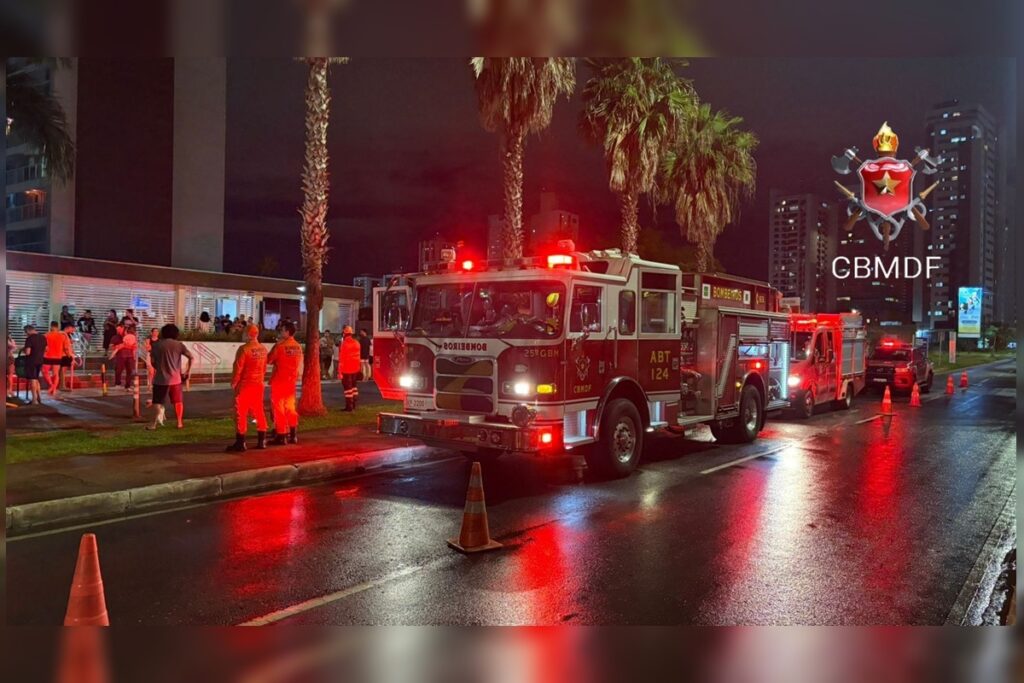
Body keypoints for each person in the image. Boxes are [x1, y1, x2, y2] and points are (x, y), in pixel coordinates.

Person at [226, 324, 268, 452]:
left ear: (249, 334)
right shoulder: (263, 349)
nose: (243, 334)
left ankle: (241, 442)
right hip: (258, 384)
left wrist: (234, 382)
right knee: (259, 411)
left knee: (241, 413)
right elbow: (264, 367)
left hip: (245, 384)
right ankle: (262, 440)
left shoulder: (244, 349)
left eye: (244, 332)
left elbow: (238, 367)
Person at [146, 324, 194, 430]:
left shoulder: (157, 345)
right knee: (178, 401)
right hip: (175, 378)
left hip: (160, 378)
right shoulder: (179, 345)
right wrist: (188, 371)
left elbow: (153, 362)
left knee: (157, 402)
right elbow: (191, 357)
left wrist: (158, 366)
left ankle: (153, 424)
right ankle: (179, 422)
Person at [267, 321, 303, 446]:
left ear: (287, 332)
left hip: (279, 380)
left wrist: (275, 345)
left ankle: (281, 435)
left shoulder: (280, 346)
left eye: (282, 330)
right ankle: (293, 434)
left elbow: (269, 359)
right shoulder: (298, 346)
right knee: (291, 408)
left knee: (279, 408)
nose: (281, 332)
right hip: (291, 381)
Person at [42, 321, 74, 397]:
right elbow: (66, 347)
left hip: (48, 356)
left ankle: (51, 385)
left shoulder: (46, 335)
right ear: (58, 326)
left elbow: (44, 347)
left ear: (51, 326)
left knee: (44, 371)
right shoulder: (62, 336)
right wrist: (70, 355)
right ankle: (53, 388)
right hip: (57, 357)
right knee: (55, 374)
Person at [21, 325, 47, 404]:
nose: (26, 334)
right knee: (36, 379)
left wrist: (23, 350)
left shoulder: (29, 339)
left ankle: (34, 399)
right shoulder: (43, 337)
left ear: (28, 331)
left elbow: (28, 352)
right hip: (40, 360)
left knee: (32, 379)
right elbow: (46, 349)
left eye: (26, 332)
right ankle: (39, 397)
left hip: (31, 361)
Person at [339, 325, 362, 411]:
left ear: (344, 333)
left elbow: (342, 359)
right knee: (354, 388)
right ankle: (354, 404)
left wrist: (340, 372)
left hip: (347, 369)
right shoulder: (357, 343)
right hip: (355, 369)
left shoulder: (344, 344)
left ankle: (349, 407)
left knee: (348, 389)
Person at [110, 324, 138, 390]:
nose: (118, 330)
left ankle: (128, 385)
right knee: (119, 370)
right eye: (117, 329)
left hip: (130, 355)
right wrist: (117, 348)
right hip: (120, 356)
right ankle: (117, 384)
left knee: (130, 370)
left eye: (120, 328)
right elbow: (112, 346)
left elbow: (134, 346)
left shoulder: (130, 336)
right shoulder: (116, 337)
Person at [143, 327, 160, 404]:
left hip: (157, 356)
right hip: (150, 356)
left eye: (157, 331)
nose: (156, 333)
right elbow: (147, 348)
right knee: (151, 371)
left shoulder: (160, 340)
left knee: (156, 372)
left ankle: (155, 385)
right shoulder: (148, 340)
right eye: (154, 331)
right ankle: (149, 385)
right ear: (151, 332)